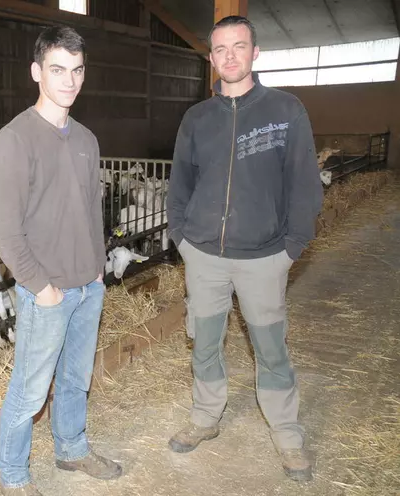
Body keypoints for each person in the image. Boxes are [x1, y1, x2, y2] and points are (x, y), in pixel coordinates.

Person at [166, 15, 323, 482]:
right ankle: (205, 416)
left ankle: (286, 431)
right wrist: (182, 239)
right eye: (220, 48)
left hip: (264, 257)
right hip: (204, 256)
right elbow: (180, 184)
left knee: (271, 347)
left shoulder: (286, 109)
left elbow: (304, 184)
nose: (229, 55)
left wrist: (292, 246)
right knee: (204, 342)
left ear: (255, 52)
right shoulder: (196, 118)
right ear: (211, 58)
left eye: (239, 46)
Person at [0, 25, 123, 495]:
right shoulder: (14, 139)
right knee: (30, 387)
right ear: (36, 72)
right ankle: (13, 472)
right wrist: (40, 286)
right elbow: (3, 228)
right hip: (46, 288)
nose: (69, 80)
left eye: (77, 70)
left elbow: (90, 206)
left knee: (75, 378)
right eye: (58, 69)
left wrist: (98, 265)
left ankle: (71, 448)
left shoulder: (86, 138)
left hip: (88, 284)